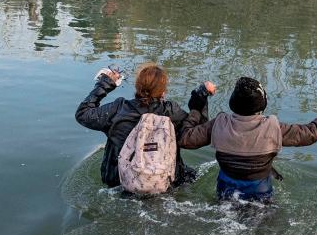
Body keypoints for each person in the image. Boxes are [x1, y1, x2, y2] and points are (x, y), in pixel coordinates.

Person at [178, 76, 317, 203]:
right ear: (262, 104)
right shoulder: (273, 127)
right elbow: (309, 134)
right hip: (260, 190)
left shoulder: (218, 124)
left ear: (232, 103)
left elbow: (186, 138)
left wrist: (197, 106)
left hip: (226, 188)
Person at [76, 63, 214, 189]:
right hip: (165, 183)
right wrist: (201, 95)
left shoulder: (117, 110)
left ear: (137, 86)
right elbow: (196, 133)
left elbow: (83, 114)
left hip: (120, 182)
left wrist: (105, 83)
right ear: (163, 92)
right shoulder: (172, 112)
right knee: (189, 176)